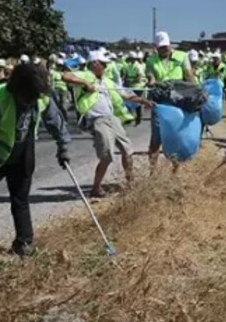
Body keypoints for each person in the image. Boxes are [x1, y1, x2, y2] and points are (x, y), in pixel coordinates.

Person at [0, 63, 71, 256]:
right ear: (17, 89)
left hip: (23, 153)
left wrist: (63, 147)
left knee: (20, 199)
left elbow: (56, 123)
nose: (29, 101)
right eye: (26, 97)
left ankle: (24, 241)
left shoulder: (41, 97)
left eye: (33, 98)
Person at [62, 50, 148, 198]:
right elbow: (66, 76)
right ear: (94, 63)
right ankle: (96, 188)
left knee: (127, 150)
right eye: (102, 63)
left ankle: (130, 183)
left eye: (104, 64)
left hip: (111, 118)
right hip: (98, 120)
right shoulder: (86, 75)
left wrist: (142, 100)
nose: (104, 66)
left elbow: (125, 93)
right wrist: (85, 83)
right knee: (107, 156)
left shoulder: (107, 81)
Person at [145, 31, 194, 166]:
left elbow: (189, 76)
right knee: (156, 137)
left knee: (176, 135)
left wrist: (194, 92)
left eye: (165, 47)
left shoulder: (182, 56)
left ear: (170, 44)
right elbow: (150, 74)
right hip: (159, 101)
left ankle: (175, 170)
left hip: (178, 100)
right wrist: (151, 79)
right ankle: (152, 173)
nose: (164, 50)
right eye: (160, 47)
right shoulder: (151, 60)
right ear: (156, 47)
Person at [123, 52, 147, 126]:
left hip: (138, 87)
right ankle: (130, 117)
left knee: (137, 102)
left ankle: (139, 117)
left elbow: (138, 78)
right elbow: (126, 75)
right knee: (129, 102)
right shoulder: (128, 66)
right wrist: (125, 80)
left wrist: (129, 81)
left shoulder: (138, 66)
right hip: (130, 86)